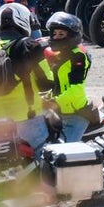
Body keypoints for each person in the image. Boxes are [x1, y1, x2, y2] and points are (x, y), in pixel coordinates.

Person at [0, 3, 53, 154]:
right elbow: (47, 83)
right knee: (44, 161)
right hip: (27, 117)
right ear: (23, 20)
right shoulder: (29, 45)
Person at [38, 12, 92, 143]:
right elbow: (59, 85)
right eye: (54, 34)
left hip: (76, 113)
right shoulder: (61, 55)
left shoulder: (78, 56)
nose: (56, 37)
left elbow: (76, 89)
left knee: (62, 152)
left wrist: (54, 102)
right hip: (61, 111)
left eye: (61, 34)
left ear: (72, 35)